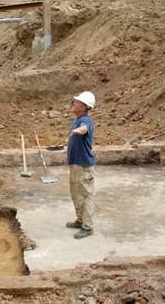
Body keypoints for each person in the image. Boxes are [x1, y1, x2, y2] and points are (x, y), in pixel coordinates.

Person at [65, 91, 97, 239]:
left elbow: (85, 128)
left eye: (77, 102)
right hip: (76, 165)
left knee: (85, 196)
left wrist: (78, 131)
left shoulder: (85, 121)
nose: (74, 103)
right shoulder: (78, 119)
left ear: (84, 107)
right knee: (76, 195)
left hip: (83, 166)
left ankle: (88, 227)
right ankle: (80, 220)